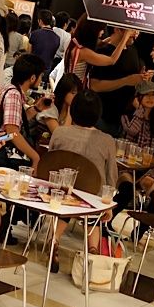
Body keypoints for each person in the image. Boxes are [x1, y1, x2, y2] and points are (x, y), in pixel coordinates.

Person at [47, 89, 117, 272]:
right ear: (98, 114)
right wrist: (109, 205)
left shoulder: (59, 133)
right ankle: (92, 251)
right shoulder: (107, 141)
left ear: (73, 110)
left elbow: (49, 162)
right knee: (93, 206)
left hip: (60, 196)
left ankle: (54, 239)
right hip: (91, 200)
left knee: (69, 194)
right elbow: (111, 176)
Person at [0, 53, 47, 170]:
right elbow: (12, 132)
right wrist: (35, 157)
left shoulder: (8, 88)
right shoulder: (14, 94)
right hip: (0, 151)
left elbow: (15, 121)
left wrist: (37, 108)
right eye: (41, 76)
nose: (41, 80)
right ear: (32, 78)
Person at [115, 81, 154, 214]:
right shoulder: (127, 117)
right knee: (127, 189)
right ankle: (107, 220)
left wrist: (152, 165)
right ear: (138, 97)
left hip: (148, 169)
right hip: (126, 166)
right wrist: (139, 112)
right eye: (146, 95)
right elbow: (132, 131)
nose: (150, 98)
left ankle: (142, 226)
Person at [90, 27, 148, 137]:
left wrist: (141, 77)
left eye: (138, 30)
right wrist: (126, 81)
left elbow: (131, 80)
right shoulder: (104, 51)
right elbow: (95, 85)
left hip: (124, 120)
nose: (136, 33)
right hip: (103, 117)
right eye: (132, 29)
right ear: (117, 29)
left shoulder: (132, 50)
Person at [63, 14, 129, 84]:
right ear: (92, 30)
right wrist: (126, 37)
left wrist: (112, 38)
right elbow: (112, 60)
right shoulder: (83, 52)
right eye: (101, 29)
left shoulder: (74, 43)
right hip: (76, 87)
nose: (103, 32)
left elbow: (100, 44)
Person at [35, 72, 82, 138]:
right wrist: (69, 113)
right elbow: (61, 136)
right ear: (63, 92)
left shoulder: (74, 109)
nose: (76, 96)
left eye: (78, 93)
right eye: (73, 93)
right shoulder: (49, 108)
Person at [29, 9, 60, 73]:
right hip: (47, 68)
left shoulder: (34, 34)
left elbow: (29, 52)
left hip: (33, 67)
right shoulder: (57, 38)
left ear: (40, 21)